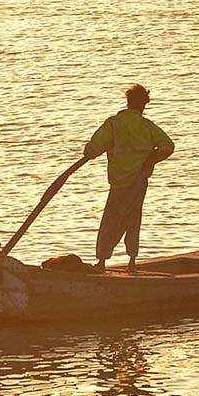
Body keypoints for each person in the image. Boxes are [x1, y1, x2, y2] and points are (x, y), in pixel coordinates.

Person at [83, 84, 175, 273]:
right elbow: (168, 146)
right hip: (139, 180)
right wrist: (151, 159)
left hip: (119, 182)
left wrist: (90, 152)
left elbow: (93, 148)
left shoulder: (114, 124)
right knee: (133, 219)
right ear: (143, 105)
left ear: (128, 102)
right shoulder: (146, 126)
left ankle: (101, 261)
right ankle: (131, 262)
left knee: (110, 220)